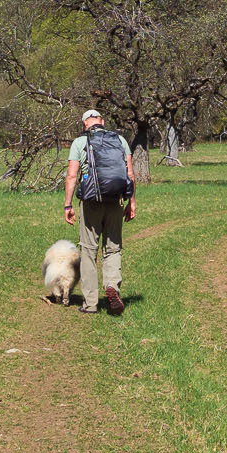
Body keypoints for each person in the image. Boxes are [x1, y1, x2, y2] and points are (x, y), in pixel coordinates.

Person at [63, 108, 136, 314]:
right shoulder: (120, 141)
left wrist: (68, 205)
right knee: (112, 249)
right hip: (116, 200)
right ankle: (112, 286)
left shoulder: (79, 143)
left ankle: (90, 303)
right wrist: (132, 202)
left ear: (84, 123)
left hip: (90, 202)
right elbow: (130, 174)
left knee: (88, 250)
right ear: (101, 121)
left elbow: (71, 176)